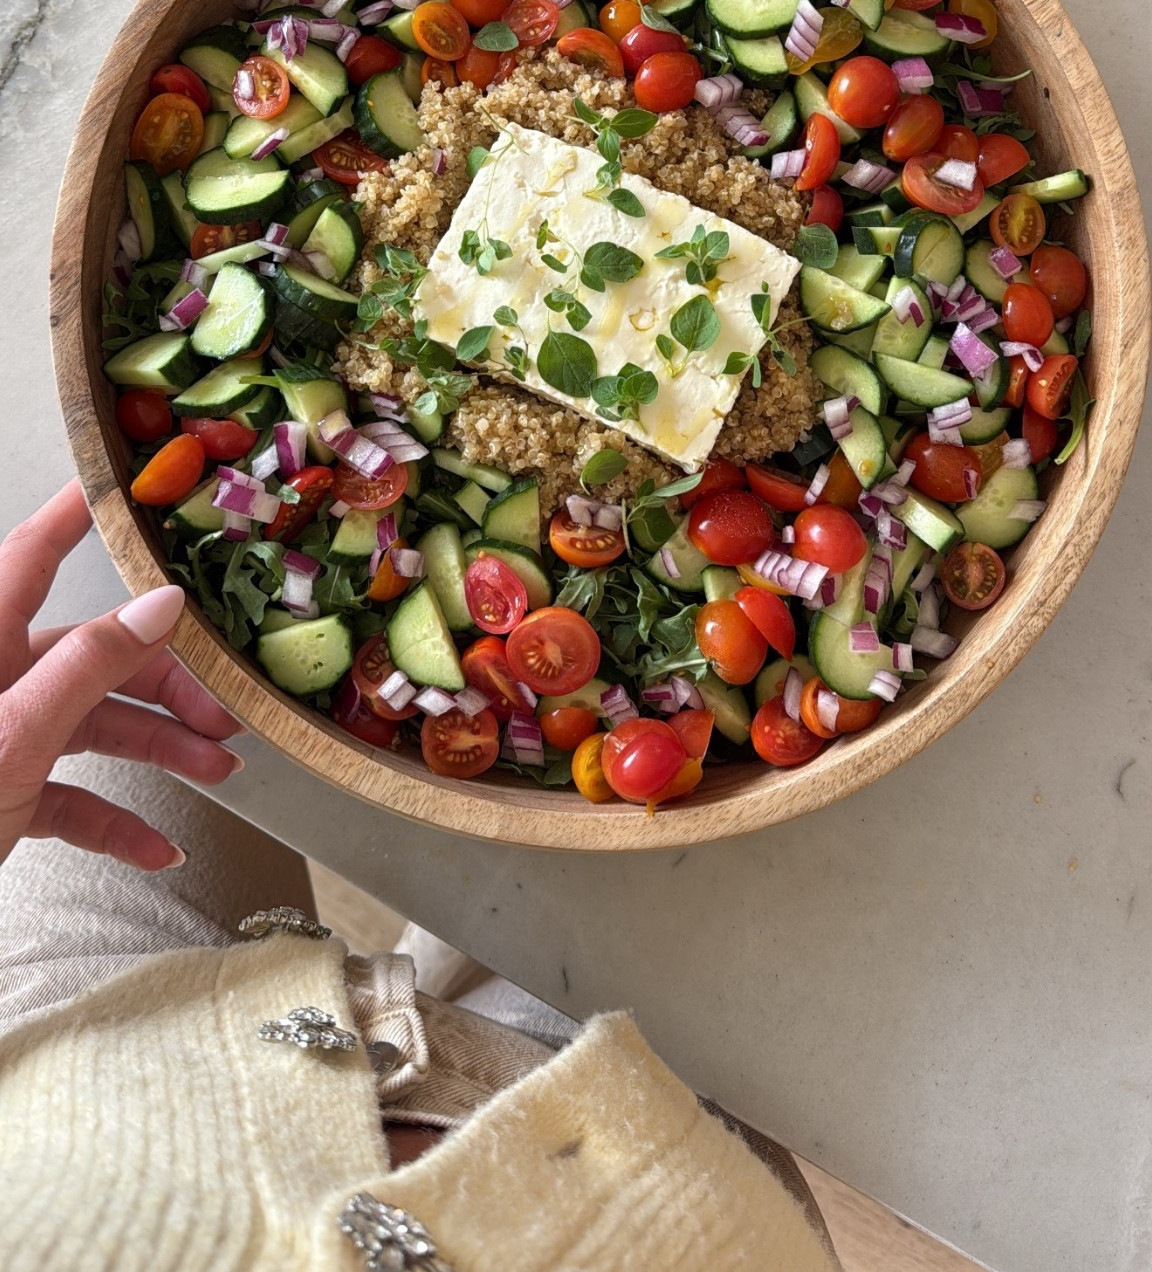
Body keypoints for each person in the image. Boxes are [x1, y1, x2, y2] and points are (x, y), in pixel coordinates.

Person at [0, 483, 842, 1272]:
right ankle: (460, 959)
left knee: (114, 675)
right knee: (671, 896)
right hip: (614, 1186)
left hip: (77, 1066)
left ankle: (445, 961)